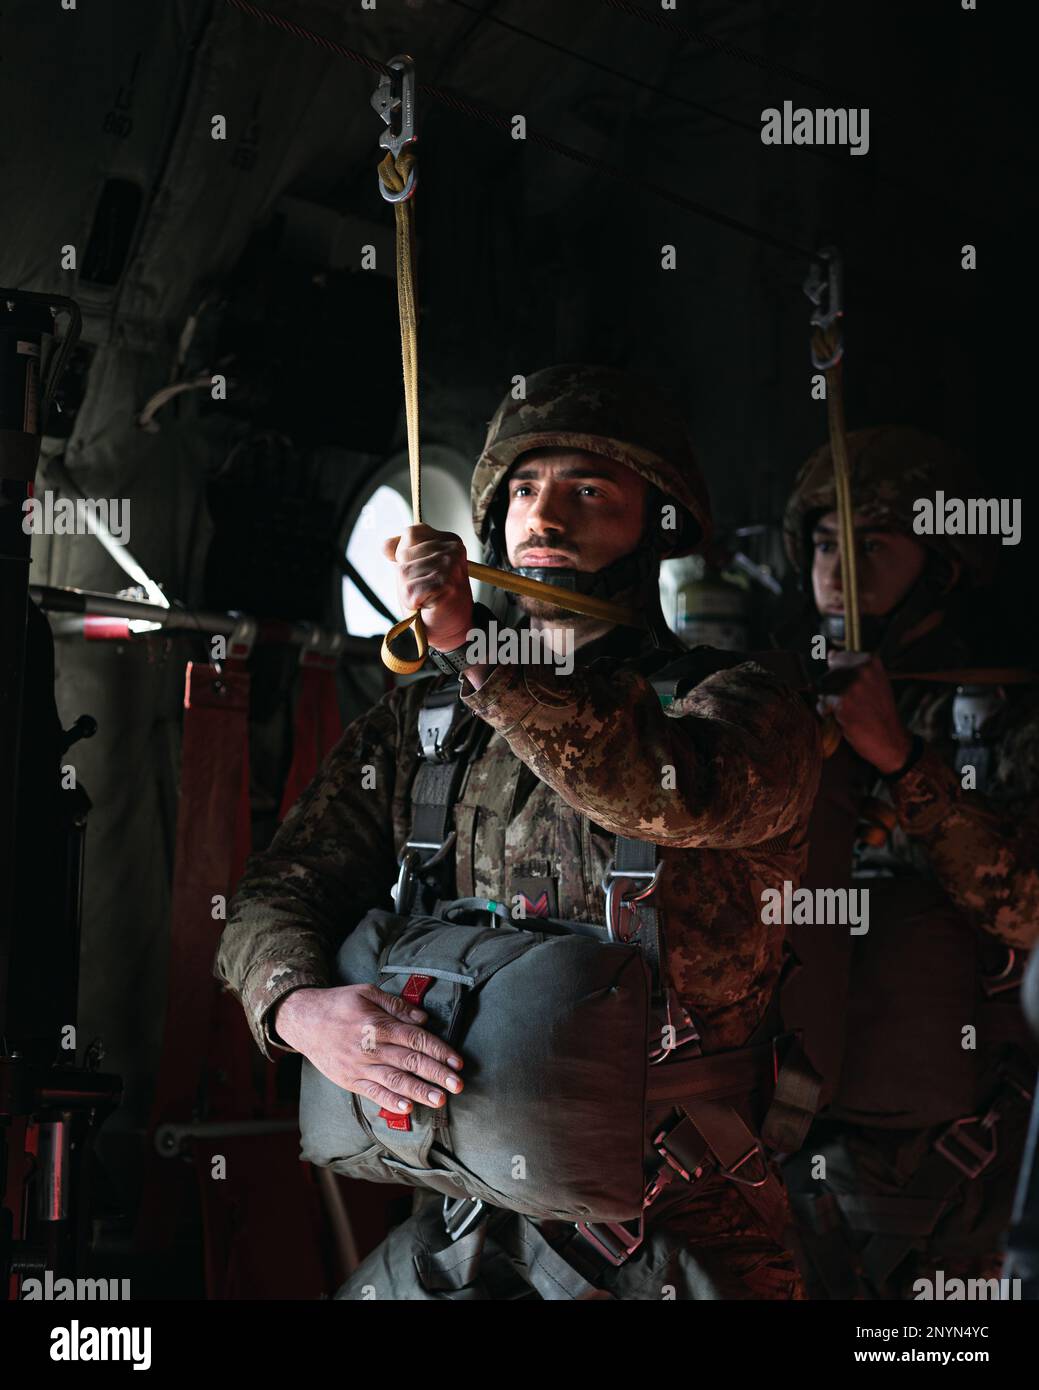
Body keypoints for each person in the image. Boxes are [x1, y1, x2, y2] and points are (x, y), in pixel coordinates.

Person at [214, 364, 822, 1299]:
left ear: (657, 527)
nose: (544, 520)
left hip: (686, 1216)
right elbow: (278, 890)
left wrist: (476, 653)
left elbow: (673, 793)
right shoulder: (423, 721)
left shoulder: (742, 699)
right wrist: (298, 1009)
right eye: (525, 491)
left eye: (589, 492)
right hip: (462, 1212)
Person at [778, 425, 1039, 1299]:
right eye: (824, 544)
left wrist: (901, 765)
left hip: (965, 1135)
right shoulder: (775, 712)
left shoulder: (1007, 718)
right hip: (798, 1120)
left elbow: (1030, 915)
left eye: (872, 546)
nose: (838, 569)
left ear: (943, 565)